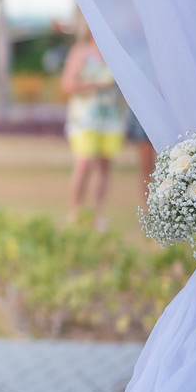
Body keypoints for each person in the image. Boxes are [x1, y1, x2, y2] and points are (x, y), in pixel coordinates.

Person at [60, 15, 126, 230]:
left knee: (104, 166)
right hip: (84, 119)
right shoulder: (81, 52)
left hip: (111, 119)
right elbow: (67, 85)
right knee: (84, 163)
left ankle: (97, 215)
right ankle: (75, 212)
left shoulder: (116, 53)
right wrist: (96, 86)